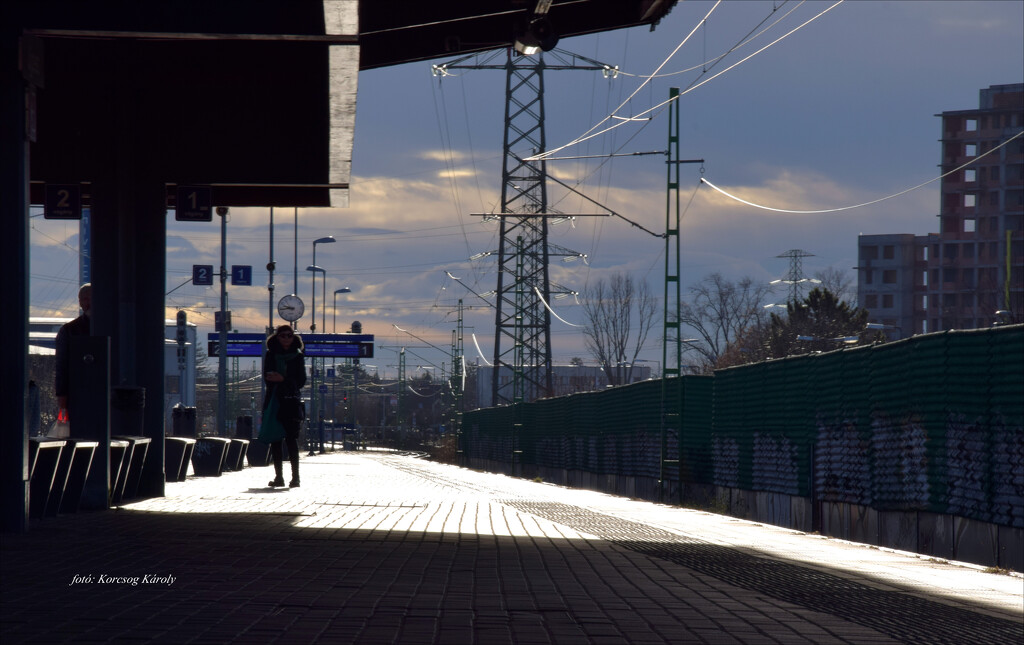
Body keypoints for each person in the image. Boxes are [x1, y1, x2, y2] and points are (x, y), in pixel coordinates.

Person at [260, 325, 306, 488]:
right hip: (274, 401)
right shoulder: (271, 354)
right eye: (283, 336)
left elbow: (300, 381)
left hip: (291, 402)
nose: (286, 338)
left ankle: (296, 478)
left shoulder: (298, 356)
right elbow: (267, 377)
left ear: (294, 338)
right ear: (277, 338)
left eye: (289, 335)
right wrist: (279, 379)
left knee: (291, 440)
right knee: (275, 439)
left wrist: (283, 379)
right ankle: (279, 477)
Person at [54, 283, 92, 412]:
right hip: (78, 393)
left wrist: (61, 394)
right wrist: (61, 394)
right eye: (85, 299)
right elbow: (61, 365)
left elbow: (61, 365)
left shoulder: (69, 330)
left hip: (78, 392)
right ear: (80, 302)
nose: (89, 302)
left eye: (91, 298)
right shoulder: (68, 330)